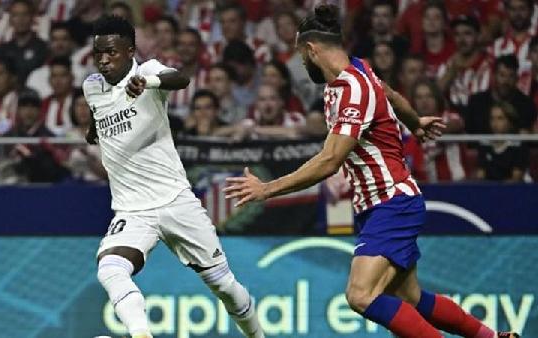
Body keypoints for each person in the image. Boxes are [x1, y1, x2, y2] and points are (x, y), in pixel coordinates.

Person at [224, 5, 519, 338]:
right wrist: (414, 122)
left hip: (392, 201)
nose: (302, 64)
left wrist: (266, 189)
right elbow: (391, 95)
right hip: (378, 206)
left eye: (301, 55)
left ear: (311, 49)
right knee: (412, 299)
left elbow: (330, 160)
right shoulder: (357, 71)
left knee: (361, 295)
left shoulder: (354, 90)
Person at [82, 15, 264, 338]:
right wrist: (94, 130)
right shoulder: (92, 87)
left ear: (130, 51)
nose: (104, 60)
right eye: (98, 53)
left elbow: (180, 79)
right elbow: (101, 114)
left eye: (111, 52)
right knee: (110, 269)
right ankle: (141, 334)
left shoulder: (147, 72)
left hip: (176, 201)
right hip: (131, 209)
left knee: (224, 285)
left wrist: (149, 83)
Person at [476, 102, 529, 182]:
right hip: (488, 191)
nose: (495, 123)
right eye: (492, 118)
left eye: (500, 118)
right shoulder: (484, 144)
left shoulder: (518, 145)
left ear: (510, 122)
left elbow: (516, 179)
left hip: (512, 192)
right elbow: (480, 176)